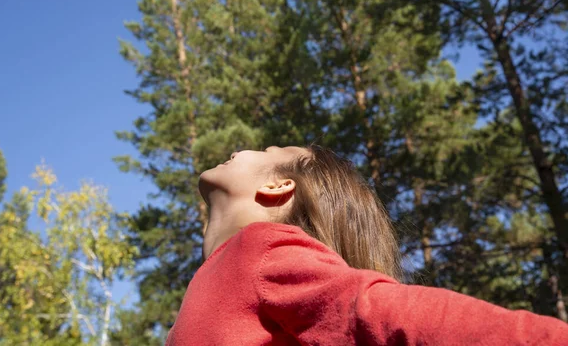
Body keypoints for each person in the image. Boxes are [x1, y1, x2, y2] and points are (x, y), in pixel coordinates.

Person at [166, 145, 568, 345]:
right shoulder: (216, 279)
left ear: (277, 186)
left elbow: (382, 313)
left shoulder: (260, 249)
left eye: (267, 151)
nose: (239, 149)